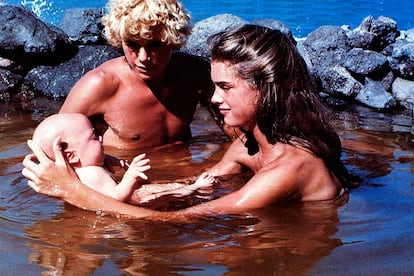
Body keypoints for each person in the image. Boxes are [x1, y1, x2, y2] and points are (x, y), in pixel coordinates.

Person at [22, 25, 357, 220]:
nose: (212, 98)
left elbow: (175, 224)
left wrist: (75, 192)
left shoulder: (289, 169)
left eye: (225, 88)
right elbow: (200, 185)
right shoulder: (247, 144)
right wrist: (135, 188)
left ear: (265, 89)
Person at [58, 0, 226, 150]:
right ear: (120, 39)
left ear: (172, 39)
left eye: (155, 45)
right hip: (126, 182)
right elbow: (50, 148)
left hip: (186, 176)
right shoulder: (100, 85)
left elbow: (240, 137)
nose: (143, 58)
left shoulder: (195, 74)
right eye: (132, 45)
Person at [31, 113, 216, 203]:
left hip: (128, 198)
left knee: (161, 188)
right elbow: (116, 197)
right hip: (128, 204)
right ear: (71, 156)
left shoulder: (81, 169)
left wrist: (113, 161)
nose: (101, 139)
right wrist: (131, 176)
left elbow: (98, 161)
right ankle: (195, 187)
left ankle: (190, 185)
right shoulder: (92, 174)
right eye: (94, 138)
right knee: (165, 194)